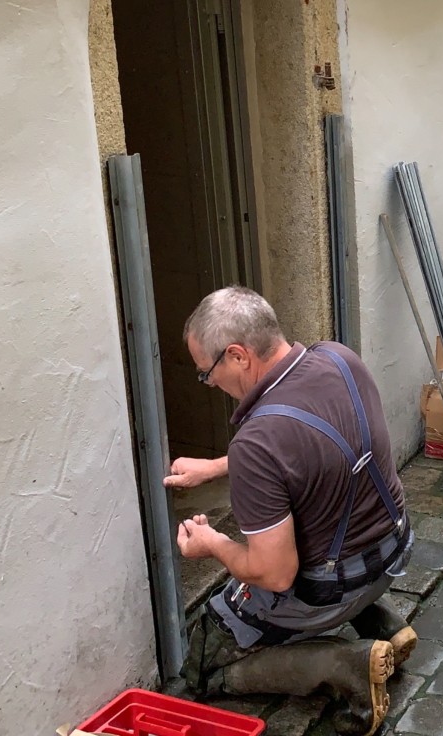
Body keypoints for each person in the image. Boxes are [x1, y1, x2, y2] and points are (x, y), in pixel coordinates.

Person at [166, 286, 414, 735]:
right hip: (392, 550)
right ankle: (386, 625)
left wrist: (214, 544)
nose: (210, 383)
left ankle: (348, 663)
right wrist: (219, 467)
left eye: (207, 372)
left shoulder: (257, 443)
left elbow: (275, 574)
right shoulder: (340, 359)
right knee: (323, 516)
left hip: (334, 586)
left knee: (209, 657)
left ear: (238, 356)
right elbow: (310, 452)